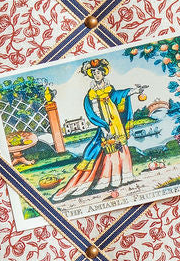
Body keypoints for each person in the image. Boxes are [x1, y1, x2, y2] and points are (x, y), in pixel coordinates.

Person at [53, 58, 161, 202]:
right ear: (92, 75)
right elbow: (90, 113)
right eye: (94, 72)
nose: (97, 74)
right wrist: (103, 127)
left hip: (117, 125)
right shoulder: (90, 95)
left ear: (104, 73)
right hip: (104, 127)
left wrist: (135, 91)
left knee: (120, 148)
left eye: (99, 72)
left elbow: (120, 96)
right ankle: (105, 180)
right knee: (104, 151)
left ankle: (123, 177)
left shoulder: (110, 90)